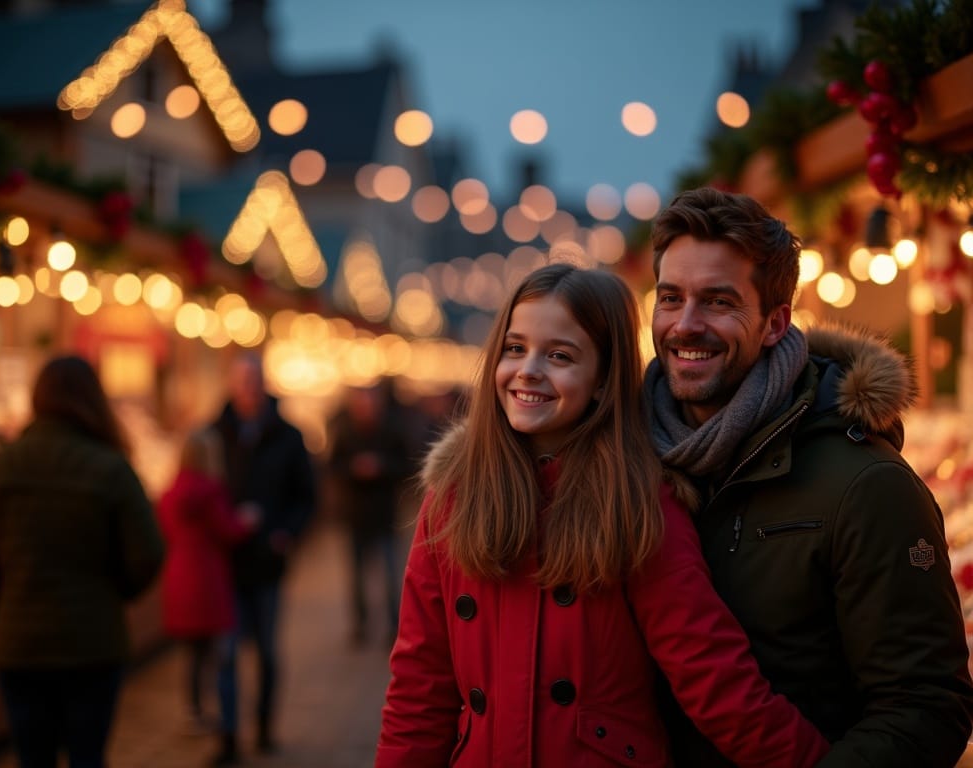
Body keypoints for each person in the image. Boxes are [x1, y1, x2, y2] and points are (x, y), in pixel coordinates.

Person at [376, 262, 831, 767]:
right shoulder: (454, 497)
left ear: (601, 380)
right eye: (515, 348)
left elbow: (716, 682)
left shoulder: (639, 503)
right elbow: (419, 690)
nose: (528, 370)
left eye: (560, 355)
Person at [645, 186, 973, 767]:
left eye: (718, 301)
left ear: (775, 323)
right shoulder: (623, 463)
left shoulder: (867, 485)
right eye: (671, 297)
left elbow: (925, 710)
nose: (685, 325)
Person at [0, 354, 164, 768]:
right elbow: (148, 554)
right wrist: (112, 597)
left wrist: (2, 619)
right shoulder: (111, 469)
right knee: (88, 756)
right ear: (94, 400)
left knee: (33, 758)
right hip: (92, 643)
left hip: (20, 645)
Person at [211, 351, 317, 764]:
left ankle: (264, 728)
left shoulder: (288, 435)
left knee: (268, 653)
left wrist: (285, 534)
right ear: (231, 384)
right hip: (226, 563)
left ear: (263, 384)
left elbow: (306, 496)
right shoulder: (214, 432)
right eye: (241, 381)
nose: (248, 389)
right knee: (226, 653)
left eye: (253, 381)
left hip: (268, 563)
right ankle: (228, 737)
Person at [156, 426, 257, 734]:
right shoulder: (211, 490)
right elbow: (228, 530)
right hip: (208, 577)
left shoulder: (171, 492)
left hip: (179, 574)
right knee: (218, 652)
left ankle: (193, 711)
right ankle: (223, 715)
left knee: (191, 653)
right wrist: (248, 521)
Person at [326, 381, 409, 649]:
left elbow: (407, 466)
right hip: (355, 516)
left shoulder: (392, 430)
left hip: (384, 515)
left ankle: (394, 626)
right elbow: (333, 466)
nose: (367, 409)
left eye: (371, 403)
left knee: (391, 575)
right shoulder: (345, 432)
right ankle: (361, 625)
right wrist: (353, 469)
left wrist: (381, 468)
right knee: (357, 576)